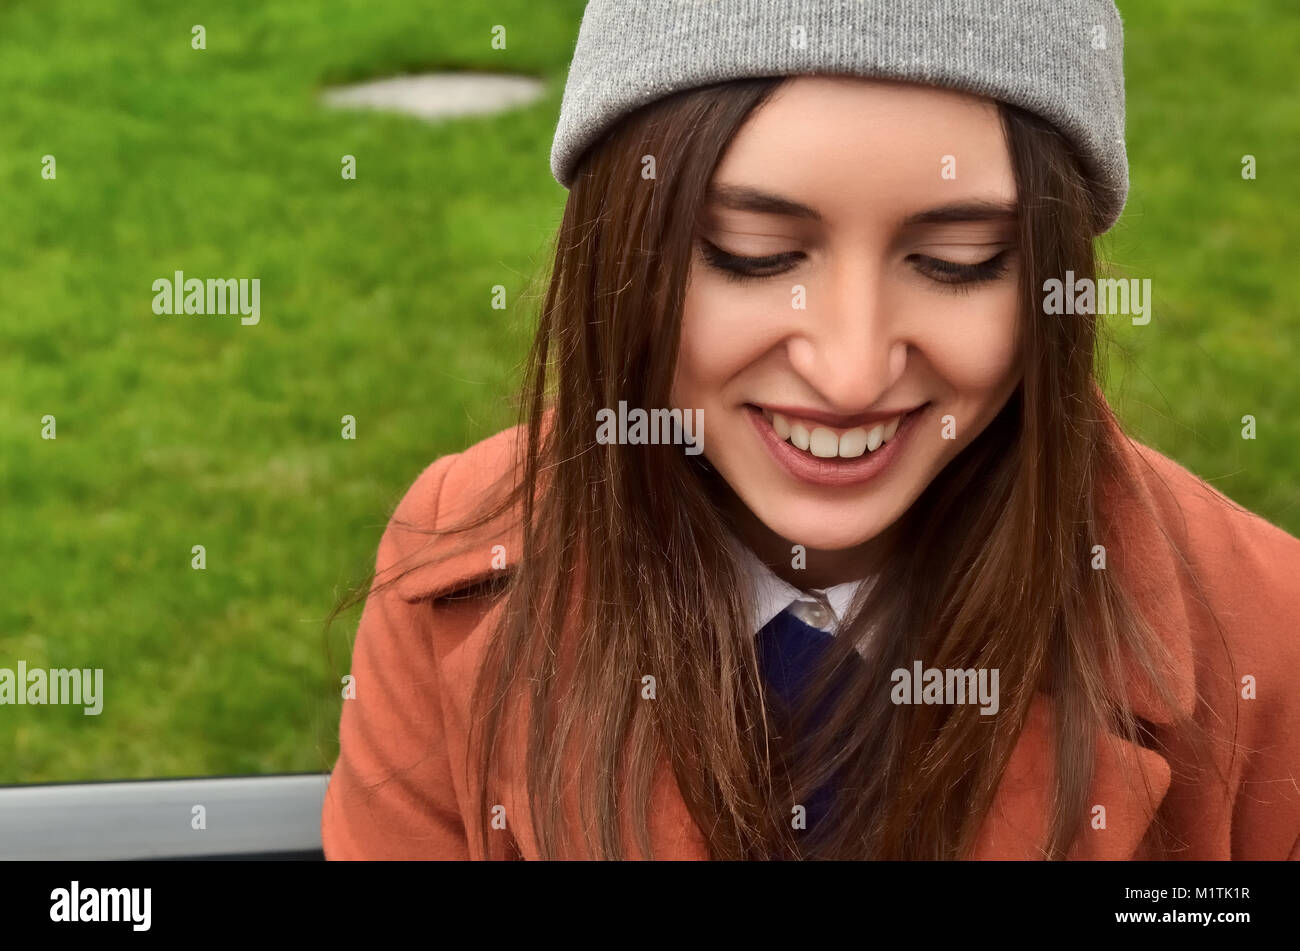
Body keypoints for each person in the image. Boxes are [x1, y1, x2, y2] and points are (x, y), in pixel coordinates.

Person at [322, 0, 1300, 860]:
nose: (848, 371)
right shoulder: (455, 567)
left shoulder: (1269, 644)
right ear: (617, 244)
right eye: (752, 254)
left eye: (958, 261)